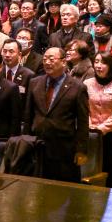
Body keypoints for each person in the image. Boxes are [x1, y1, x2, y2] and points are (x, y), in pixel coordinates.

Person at [23, 46, 89, 183]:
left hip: (64, 149)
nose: (47, 62)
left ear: (63, 62)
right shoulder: (35, 82)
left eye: (51, 59)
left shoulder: (78, 87)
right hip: (37, 145)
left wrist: (81, 150)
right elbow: (28, 115)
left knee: (62, 190)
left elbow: (83, 122)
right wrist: (25, 140)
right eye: (45, 59)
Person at [85, 51, 112, 187]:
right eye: (96, 62)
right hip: (90, 134)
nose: (98, 65)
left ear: (110, 66)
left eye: (103, 63)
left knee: (110, 175)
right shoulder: (87, 84)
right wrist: (90, 126)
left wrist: (101, 129)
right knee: (91, 174)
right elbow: (83, 109)